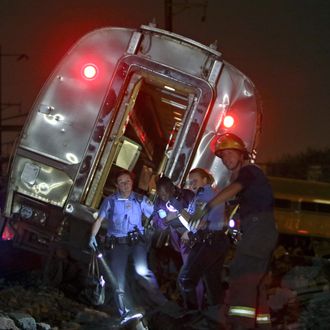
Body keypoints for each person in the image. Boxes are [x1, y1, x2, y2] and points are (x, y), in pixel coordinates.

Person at [191, 133, 278, 330]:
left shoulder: (249, 172)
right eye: (223, 157)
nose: (226, 159)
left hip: (259, 229)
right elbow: (238, 203)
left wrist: (208, 206)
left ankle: (241, 324)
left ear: (241, 155)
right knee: (256, 280)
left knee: (242, 275)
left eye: (230, 154)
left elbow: (234, 188)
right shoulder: (251, 179)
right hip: (260, 230)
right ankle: (262, 324)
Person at [89, 169, 166, 323]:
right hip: (118, 244)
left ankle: (163, 304)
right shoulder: (110, 201)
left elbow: (156, 214)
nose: (125, 185)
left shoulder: (139, 199)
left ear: (132, 183)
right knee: (118, 279)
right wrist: (92, 237)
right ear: (117, 185)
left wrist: (163, 215)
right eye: (122, 182)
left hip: (136, 242)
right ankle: (126, 312)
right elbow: (99, 220)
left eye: (128, 181)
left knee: (142, 271)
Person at [177, 168, 230, 310]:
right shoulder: (209, 194)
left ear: (205, 180)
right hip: (216, 242)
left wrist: (178, 210)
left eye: (196, 180)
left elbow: (194, 222)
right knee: (213, 285)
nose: (192, 183)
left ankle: (192, 316)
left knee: (186, 280)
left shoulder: (204, 195)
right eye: (190, 181)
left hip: (208, 242)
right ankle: (217, 319)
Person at [151, 176, 206, 309]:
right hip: (180, 241)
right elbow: (158, 222)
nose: (163, 197)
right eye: (160, 195)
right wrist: (164, 220)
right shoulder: (160, 202)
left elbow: (200, 215)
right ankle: (191, 305)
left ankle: (197, 306)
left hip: (195, 238)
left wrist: (181, 211)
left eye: (165, 194)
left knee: (190, 274)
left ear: (172, 188)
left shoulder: (186, 195)